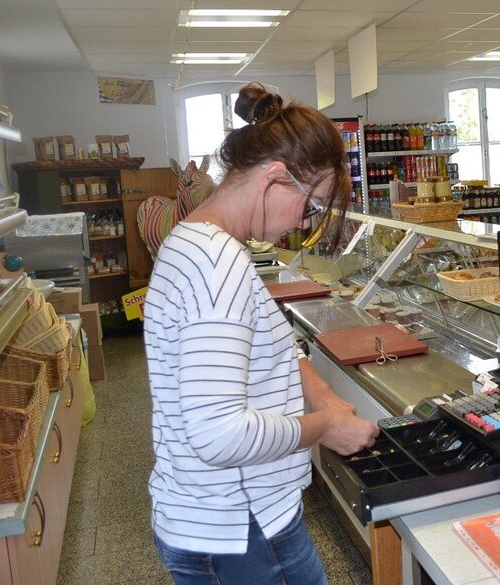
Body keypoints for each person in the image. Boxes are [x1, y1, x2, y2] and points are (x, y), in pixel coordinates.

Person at [143, 83, 379, 585]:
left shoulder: (203, 241)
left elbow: (271, 345)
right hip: (240, 529)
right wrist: (325, 428)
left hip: (224, 518)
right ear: (274, 177)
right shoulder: (217, 265)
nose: (302, 225)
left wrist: (323, 397)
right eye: (310, 206)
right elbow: (219, 434)